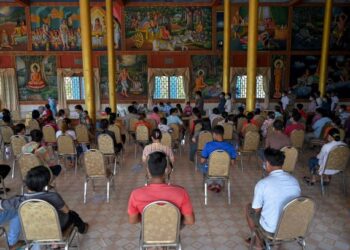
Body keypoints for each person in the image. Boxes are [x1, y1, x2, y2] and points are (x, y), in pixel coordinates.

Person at [0, 166, 88, 236]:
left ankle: (53, 242)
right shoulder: (53, 196)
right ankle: (83, 229)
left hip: (33, 230)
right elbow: (66, 211)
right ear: (45, 184)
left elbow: (2, 204)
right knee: (73, 214)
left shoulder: (19, 200)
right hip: (56, 227)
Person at [245, 148, 301, 249]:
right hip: (291, 225)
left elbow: (256, 210)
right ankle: (277, 244)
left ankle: (258, 243)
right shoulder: (294, 181)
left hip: (271, 228)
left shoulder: (262, 184)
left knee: (249, 208)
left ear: (267, 163)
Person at [128, 152, 195, 225]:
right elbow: (190, 221)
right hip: (172, 230)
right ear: (166, 170)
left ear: (148, 171)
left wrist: (147, 220)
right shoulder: (181, 192)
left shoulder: (136, 194)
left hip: (148, 230)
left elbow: (133, 221)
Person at [200, 125, 237, 192]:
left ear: (214, 134)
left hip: (210, 170)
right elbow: (232, 163)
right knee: (220, 169)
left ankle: (211, 183)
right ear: (223, 134)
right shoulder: (230, 146)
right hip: (224, 171)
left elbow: (202, 161)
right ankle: (219, 183)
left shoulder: (208, 145)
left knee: (202, 166)